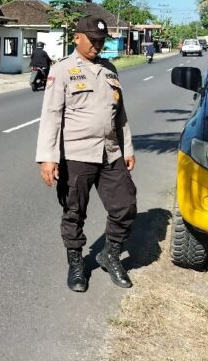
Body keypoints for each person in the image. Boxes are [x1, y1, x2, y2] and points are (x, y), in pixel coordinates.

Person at [35, 16, 137, 292]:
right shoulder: (63, 70)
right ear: (76, 37)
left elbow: (120, 115)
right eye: (92, 39)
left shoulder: (109, 69)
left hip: (110, 152)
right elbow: (51, 116)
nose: (97, 45)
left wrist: (127, 148)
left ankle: (110, 254)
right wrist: (48, 157)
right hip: (76, 153)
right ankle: (76, 263)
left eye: (101, 40)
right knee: (74, 211)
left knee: (125, 205)